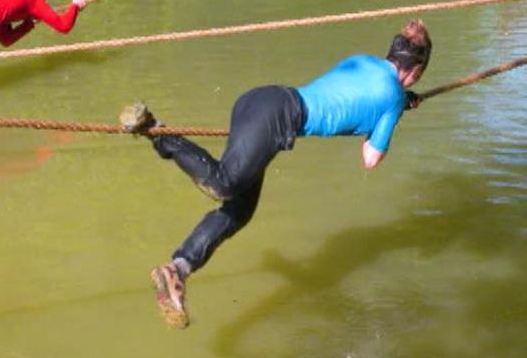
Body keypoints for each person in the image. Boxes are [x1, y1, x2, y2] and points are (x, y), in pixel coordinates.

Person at [120, 19, 432, 329]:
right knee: (223, 184)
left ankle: (178, 269)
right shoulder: (392, 98)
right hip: (278, 117)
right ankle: (158, 131)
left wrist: (401, 100)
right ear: (416, 71)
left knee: (240, 209)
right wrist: (396, 110)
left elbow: (349, 93)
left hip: (260, 100)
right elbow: (370, 158)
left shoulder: (363, 61)